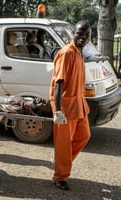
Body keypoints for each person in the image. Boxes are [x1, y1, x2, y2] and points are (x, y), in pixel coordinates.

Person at [49, 20, 91, 190]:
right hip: (65, 108)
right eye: (80, 33)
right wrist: (58, 111)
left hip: (79, 104)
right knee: (64, 144)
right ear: (73, 33)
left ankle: (61, 160)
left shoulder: (80, 52)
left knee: (84, 136)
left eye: (86, 34)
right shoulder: (67, 53)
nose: (83, 37)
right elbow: (58, 83)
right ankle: (60, 177)